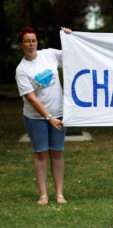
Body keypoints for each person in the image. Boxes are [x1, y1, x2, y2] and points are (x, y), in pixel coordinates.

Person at [15, 26, 72, 205]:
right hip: (36, 118)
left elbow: (73, 55)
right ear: (21, 45)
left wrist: (70, 37)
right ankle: (43, 195)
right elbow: (32, 99)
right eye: (27, 41)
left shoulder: (49, 54)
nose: (31, 44)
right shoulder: (22, 69)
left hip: (59, 113)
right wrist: (49, 118)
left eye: (33, 40)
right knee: (41, 153)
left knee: (57, 152)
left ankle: (60, 194)